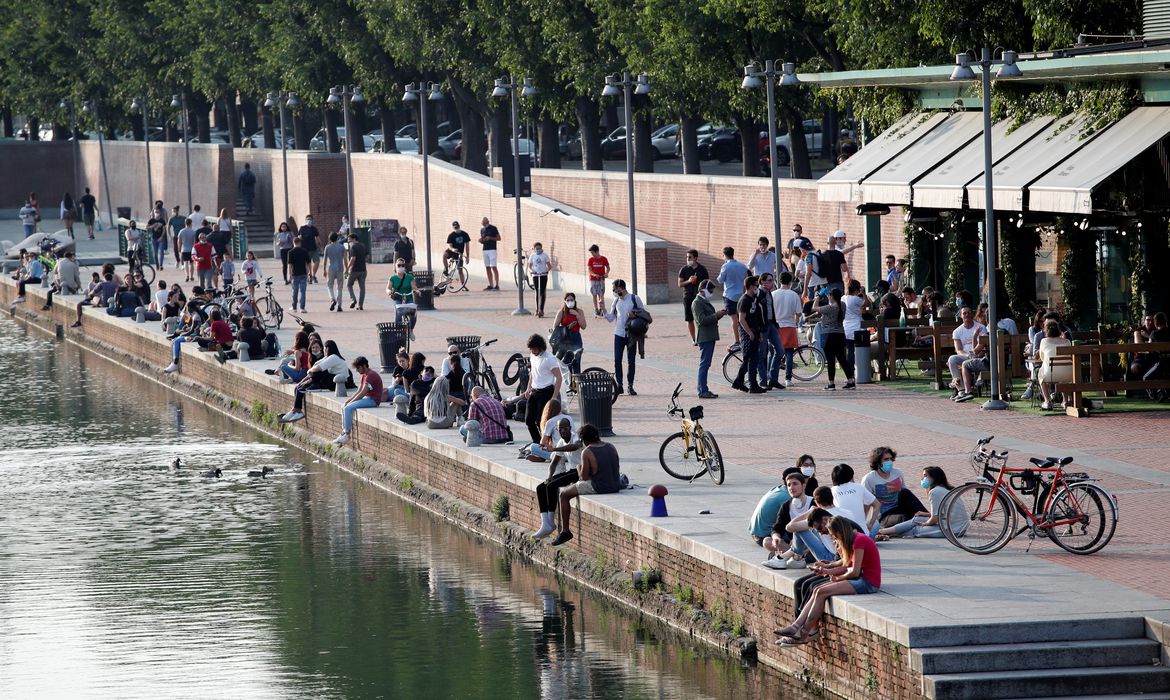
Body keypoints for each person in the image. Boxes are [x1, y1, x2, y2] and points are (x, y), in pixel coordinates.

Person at [774, 516, 880, 645]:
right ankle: (795, 627)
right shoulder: (853, 539)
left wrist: (838, 578)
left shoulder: (859, 541)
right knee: (817, 589)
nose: (834, 539)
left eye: (834, 536)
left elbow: (854, 571)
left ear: (840, 532)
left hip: (868, 582)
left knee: (822, 592)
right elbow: (845, 563)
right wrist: (827, 569)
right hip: (859, 578)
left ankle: (804, 633)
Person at [551, 424, 621, 546]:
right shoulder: (611, 446)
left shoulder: (587, 451)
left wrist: (579, 468)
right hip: (615, 484)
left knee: (563, 494)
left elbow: (583, 477)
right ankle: (565, 531)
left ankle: (565, 531)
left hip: (599, 486)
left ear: (584, 439)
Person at [531, 418, 583, 540]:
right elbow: (554, 464)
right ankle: (546, 523)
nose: (563, 431)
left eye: (565, 428)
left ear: (570, 428)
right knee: (542, 486)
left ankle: (550, 522)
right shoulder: (560, 441)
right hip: (571, 470)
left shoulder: (575, 437)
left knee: (552, 486)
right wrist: (549, 477)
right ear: (557, 430)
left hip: (580, 470)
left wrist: (554, 449)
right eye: (560, 429)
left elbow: (574, 447)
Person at [278, 340, 352, 421]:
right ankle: (296, 410)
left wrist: (310, 372)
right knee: (298, 388)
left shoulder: (334, 357)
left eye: (324, 348)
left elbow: (319, 368)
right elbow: (315, 365)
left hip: (340, 384)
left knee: (318, 371)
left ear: (327, 349)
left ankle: (297, 409)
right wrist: (302, 381)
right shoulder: (327, 357)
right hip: (332, 381)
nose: (324, 350)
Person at [877, 467, 956, 540]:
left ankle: (883, 532)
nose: (922, 479)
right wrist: (925, 515)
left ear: (934, 477)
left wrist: (926, 523)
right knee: (917, 520)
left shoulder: (935, 492)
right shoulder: (947, 489)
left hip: (951, 529)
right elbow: (942, 513)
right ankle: (883, 532)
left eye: (925, 476)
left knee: (915, 529)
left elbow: (935, 519)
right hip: (954, 527)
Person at [760, 472, 817, 570]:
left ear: (803, 486)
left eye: (795, 484)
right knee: (767, 541)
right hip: (793, 544)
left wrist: (796, 540)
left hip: (811, 543)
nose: (791, 487)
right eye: (789, 485)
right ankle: (796, 557)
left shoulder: (813, 503)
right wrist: (776, 537)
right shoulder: (786, 506)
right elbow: (778, 526)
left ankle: (785, 557)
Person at [862, 446, 928, 527]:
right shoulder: (869, 479)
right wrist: (863, 523)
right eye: (886, 459)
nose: (889, 462)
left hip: (900, 507)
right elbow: (866, 503)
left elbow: (905, 494)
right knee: (904, 519)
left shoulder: (897, 473)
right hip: (885, 514)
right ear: (878, 462)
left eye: (890, 459)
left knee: (905, 492)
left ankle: (928, 516)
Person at [603, 279, 644, 396]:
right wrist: (603, 309)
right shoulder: (616, 301)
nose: (614, 292)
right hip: (619, 334)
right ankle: (619, 385)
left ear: (621, 288)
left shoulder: (634, 299)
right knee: (617, 360)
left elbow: (644, 313)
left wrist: (634, 314)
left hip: (632, 334)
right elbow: (611, 318)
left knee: (631, 361)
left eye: (614, 289)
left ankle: (630, 386)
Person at [811, 287, 855, 390]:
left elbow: (814, 307)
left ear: (832, 297)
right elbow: (834, 304)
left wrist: (818, 297)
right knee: (842, 359)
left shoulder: (830, 308)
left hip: (829, 335)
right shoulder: (842, 305)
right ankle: (850, 381)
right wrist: (829, 296)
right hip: (840, 335)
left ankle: (831, 383)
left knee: (830, 360)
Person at [163, 308, 233, 373]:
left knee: (200, 342)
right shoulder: (223, 322)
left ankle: (175, 362)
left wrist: (199, 338)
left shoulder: (214, 323)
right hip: (229, 345)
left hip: (224, 345)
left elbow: (210, 338)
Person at [523, 334, 564, 443]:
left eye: (533, 348)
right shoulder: (532, 355)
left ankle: (546, 442)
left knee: (540, 420)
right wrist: (528, 388)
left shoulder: (549, 359)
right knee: (529, 420)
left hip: (546, 391)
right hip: (535, 391)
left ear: (540, 347)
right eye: (530, 349)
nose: (532, 351)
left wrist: (554, 397)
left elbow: (559, 377)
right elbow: (532, 373)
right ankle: (537, 442)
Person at [333, 356, 383, 446]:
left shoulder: (371, 375)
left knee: (348, 408)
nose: (357, 370)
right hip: (368, 398)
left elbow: (363, 393)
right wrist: (348, 401)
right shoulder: (364, 375)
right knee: (344, 405)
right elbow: (358, 391)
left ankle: (347, 435)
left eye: (358, 368)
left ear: (364, 366)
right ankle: (344, 432)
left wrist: (350, 403)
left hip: (373, 400)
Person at [731, 275, 767, 393]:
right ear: (751, 287)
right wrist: (750, 332)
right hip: (748, 334)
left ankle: (741, 382)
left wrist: (759, 332)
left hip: (754, 331)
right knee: (750, 360)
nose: (758, 287)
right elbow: (741, 319)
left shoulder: (753, 299)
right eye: (756, 286)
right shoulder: (744, 300)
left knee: (752, 360)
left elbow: (756, 316)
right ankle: (749, 384)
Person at [692, 279, 725, 399]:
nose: (711, 292)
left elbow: (709, 318)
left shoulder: (703, 301)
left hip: (709, 336)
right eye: (710, 290)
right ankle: (702, 390)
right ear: (702, 290)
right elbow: (702, 320)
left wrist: (719, 315)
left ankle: (703, 388)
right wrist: (716, 315)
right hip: (705, 337)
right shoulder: (697, 303)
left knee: (706, 364)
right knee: (704, 364)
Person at [948, 306, 987, 402]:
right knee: (952, 359)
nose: (967, 315)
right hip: (965, 355)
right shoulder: (957, 331)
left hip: (979, 354)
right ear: (961, 315)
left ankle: (971, 388)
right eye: (964, 313)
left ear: (972, 314)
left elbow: (982, 345)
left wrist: (974, 353)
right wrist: (967, 355)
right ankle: (961, 390)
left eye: (969, 312)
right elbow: (958, 349)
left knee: (970, 361)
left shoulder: (980, 327)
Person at [772, 271, 803, 388]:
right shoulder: (794, 295)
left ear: (779, 281)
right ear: (790, 282)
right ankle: (788, 378)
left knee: (774, 353)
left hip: (776, 326)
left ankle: (772, 376)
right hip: (789, 326)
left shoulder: (773, 294)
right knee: (789, 353)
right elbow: (798, 313)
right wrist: (796, 321)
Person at [716, 247, 749, 350]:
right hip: (741, 294)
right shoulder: (742, 265)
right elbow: (746, 277)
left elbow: (720, 280)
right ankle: (745, 337)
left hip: (729, 295)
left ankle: (737, 340)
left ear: (724, 255)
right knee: (742, 318)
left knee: (734, 320)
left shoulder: (725, 266)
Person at [1036, 320, 1073, 410]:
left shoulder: (1044, 341)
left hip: (1050, 374)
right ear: (1058, 330)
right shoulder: (1067, 341)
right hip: (1068, 374)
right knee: (1063, 376)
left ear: (1046, 330)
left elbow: (1042, 358)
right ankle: (1065, 401)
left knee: (1041, 374)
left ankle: (1047, 401)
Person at [678, 249, 709, 343]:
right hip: (688, 296)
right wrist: (689, 281)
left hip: (699, 297)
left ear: (695, 258)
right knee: (689, 318)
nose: (688, 259)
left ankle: (701, 337)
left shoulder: (702, 269)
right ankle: (694, 339)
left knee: (700, 318)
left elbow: (707, 283)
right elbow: (679, 284)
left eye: (690, 257)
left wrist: (704, 292)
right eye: (687, 257)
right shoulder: (684, 269)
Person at [552, 293, 587, 374]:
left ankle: (577, 382)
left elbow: (584, 326)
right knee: (567, 363)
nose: (570, 302)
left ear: (575, 301)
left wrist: (577, 315)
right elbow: (555, 327)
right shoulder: (561, 312)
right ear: (565, 301)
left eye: (571, 300)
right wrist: (567, 327)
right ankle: (570, 383)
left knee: (576, 361)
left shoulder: (579, 311)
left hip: (576, 338)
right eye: (568, 300)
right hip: (565, 339)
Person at [842, 279, 869, 370]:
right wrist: (863, 293)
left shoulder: (843, 298)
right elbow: (867, 303)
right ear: (856, 289)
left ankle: (850, 373)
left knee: (849, 350)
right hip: (857, 327)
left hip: (846, 327)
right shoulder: (856, 299)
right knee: (859, 351)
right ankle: (860, 370)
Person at [386, 258, 417, 331]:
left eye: (402, 265)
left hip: (408, 298)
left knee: (413, 314)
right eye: (399, 265)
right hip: (398, 298)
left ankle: (411, 329)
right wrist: (389, 292)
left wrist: (416, 290)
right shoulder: (392, 278)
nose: (400, 267)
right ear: (395, 267)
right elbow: (388, 288)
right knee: (398, 314)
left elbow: (414, 287)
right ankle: (398, 331)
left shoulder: (409, 277)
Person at [323, 233, 347, 312]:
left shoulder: (327, 247)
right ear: (337, 238)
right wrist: (346, 269)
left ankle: (332, 299)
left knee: (330, 285)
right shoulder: (342, 247)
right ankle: (339, 305)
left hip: (331, 268)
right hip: (340, 268)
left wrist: (324, 270)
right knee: (339, 287)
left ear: (330, 239)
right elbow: (345, 259)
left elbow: (325, 259)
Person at [528, 242, 552, 317]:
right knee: (537, 291)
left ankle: (541, 309)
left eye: (539, 248)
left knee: (542, 291)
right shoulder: (532, 256)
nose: (538, 250)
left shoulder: (545, 255)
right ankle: (537, 309)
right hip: (535, 274)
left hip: (543, 274)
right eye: (537, 248)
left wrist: (546, 271)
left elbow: (549, 265)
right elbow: (529, 266)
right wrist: (532, 271)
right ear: (534, 249)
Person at [346, 231, 368, 310]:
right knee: (362, 288)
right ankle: (360, 305)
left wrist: (347, 268)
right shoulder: (363, 245)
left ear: (354, 239)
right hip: (363, 269)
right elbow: (367, 256)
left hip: (355, 269)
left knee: (349, 284)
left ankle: (353, 299)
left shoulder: (353, 247)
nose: (348, 242)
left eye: (349, 240)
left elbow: (353, 259)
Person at [287, 235, 310, 313]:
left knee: (295, 291)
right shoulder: (304, 251)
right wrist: (309, 271)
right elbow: (308, 262)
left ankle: (294, 307)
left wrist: (289, 275)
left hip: (295, 273)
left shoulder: (290, 252)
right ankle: (302, 308)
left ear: (293, 243)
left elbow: (290, 265)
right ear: (300, 243)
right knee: (303, 291)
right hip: (303, 273)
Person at [586, 244, 610, 317]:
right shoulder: (591, 260)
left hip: (601, 279)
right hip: (593, 280)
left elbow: (608, 267)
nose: (592, 254)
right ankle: (596, 309)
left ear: (597, 251)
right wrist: (594, 274)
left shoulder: (603, 259)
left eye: (592, 252)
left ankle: (601, 309)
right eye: (591, 253)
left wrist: (606, 273)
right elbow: (589, 270)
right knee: (594, 295)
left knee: (601, 295)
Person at [479, 217, 501, 290]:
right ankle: (490, 284)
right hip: (485, 249)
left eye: (485, 222)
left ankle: (497, 285)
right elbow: (483, 239)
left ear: (488, 221)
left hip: (492, 249)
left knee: (493, 266)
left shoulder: (493, 228)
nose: (484, 224)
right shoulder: (482, 230)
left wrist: (490, 238)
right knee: (487, 267)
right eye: (483, 223)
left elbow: (499, 238)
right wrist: (481, 240)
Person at [299, 215, 321, 284]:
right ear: (305, 220)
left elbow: (317, 238)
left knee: (317, 262)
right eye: (308, 219)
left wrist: (321, 247)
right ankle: (309, 275)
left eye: (310, 219)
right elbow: (298, 237)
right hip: (305, 249)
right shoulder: (302, 228)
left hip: (313, 248)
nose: (309, 220)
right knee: (307, 264)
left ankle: (314, 275)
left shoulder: (314, 229)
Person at [148, 202, 168, 269]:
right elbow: (147, 227)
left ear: (160, 213)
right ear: (154, 213)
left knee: (161, 252)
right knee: (155, 254)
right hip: (154, 238)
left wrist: (162, 237)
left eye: (158, 212)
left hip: (161, 239)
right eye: (155, 212)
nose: (157, 213)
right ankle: (157, 265)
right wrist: (153, 226)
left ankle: (161, 265)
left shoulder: (162, 220)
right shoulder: (151, 220)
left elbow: (164, 229)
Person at [178, 217, 197, 282]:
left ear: (185, 223)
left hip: (184, 249)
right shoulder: (193, 232)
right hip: (191, 249)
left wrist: (179, 248)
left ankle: (187, 275)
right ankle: (191, 276)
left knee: (185, 262)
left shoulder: (181, 231)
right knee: (191, 263)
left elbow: (179, 241)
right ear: (191, 223)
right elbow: (194, 242)